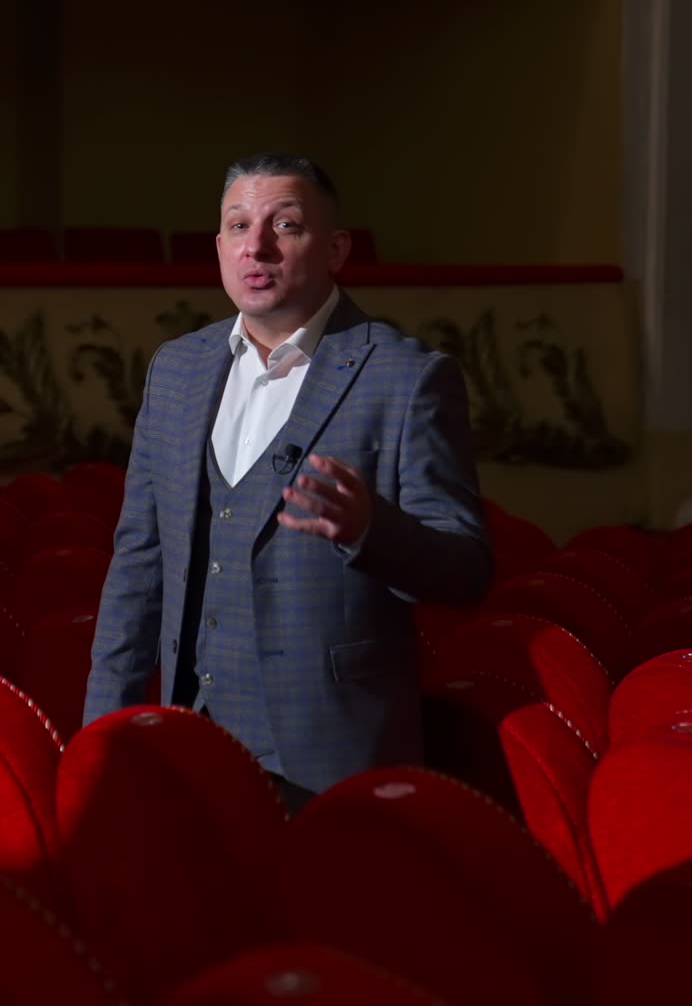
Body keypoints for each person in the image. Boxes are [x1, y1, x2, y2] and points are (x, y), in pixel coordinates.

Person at [83, 154, 492, 811]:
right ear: (220, 248)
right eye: (238, 225)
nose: (257, 246)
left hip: (330, 760)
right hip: (191, 743)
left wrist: (372, 530)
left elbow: (467, 570)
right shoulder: (177, 370)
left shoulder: (406, 378)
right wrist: (104, 738)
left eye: (287, 225)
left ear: (335, 249)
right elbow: (138, 566)